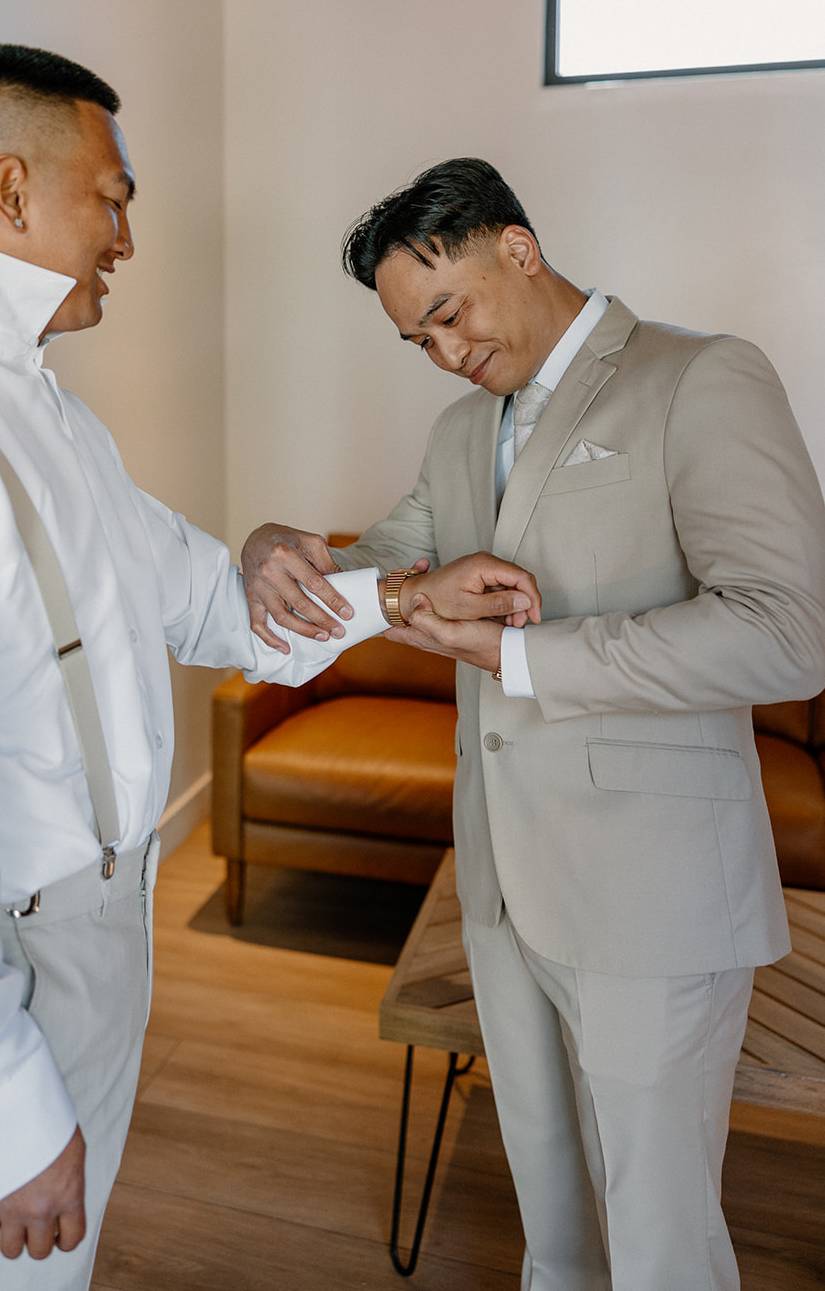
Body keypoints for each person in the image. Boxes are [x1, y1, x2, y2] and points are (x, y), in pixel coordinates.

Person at [0, 58, 540, 1290]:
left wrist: (394, 598)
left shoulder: (56, 422)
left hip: (98, 940)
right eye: (111, 198)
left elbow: (213, 606)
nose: (127, 236)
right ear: (10, 189)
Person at [242, 157, 825, 1291]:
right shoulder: (463, 434)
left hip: (650, 899)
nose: (446, 354)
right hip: (501, 894)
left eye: (448, 312)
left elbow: (785, 633)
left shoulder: (699, 377)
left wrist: (520, 655)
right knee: (550, 1232)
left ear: (516, 246)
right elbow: (366, 570)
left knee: (658, 1248)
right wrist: (277, 546)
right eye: (417, 341)